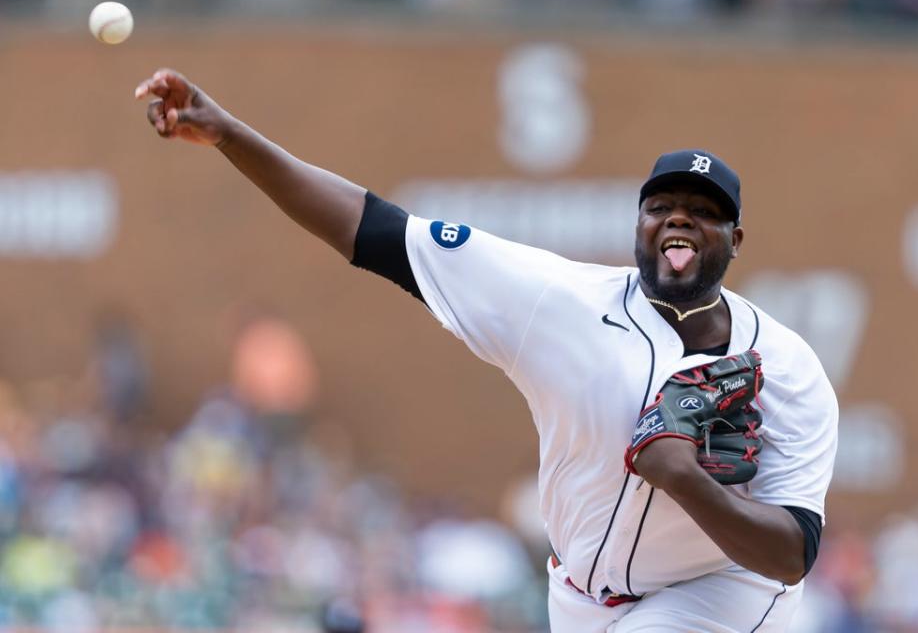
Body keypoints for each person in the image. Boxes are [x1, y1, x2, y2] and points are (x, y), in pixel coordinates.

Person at [135, 69, 838, 632]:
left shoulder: (788, 368)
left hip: (720, 593)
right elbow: (370, 228)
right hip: (579, 596)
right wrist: (229, 135)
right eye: (662, 204)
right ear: (640, 225)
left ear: (734, 240)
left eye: (705, 209)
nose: (680, 215)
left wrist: (683, 477)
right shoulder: (558, 301)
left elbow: (790, 555)